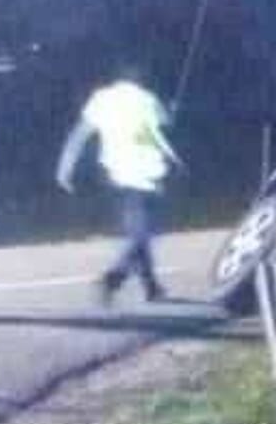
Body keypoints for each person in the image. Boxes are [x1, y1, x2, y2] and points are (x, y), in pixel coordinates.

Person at [56, 69, 184, 304]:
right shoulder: (148, 99)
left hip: (114, 174)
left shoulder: (102, 98)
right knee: (142, 234)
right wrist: (170, 114)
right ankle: (112, 278)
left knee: (139, 231)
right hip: (145, 175)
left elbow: (80, 134)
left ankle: (152, 287)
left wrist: (65, 167)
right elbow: (159, 132)